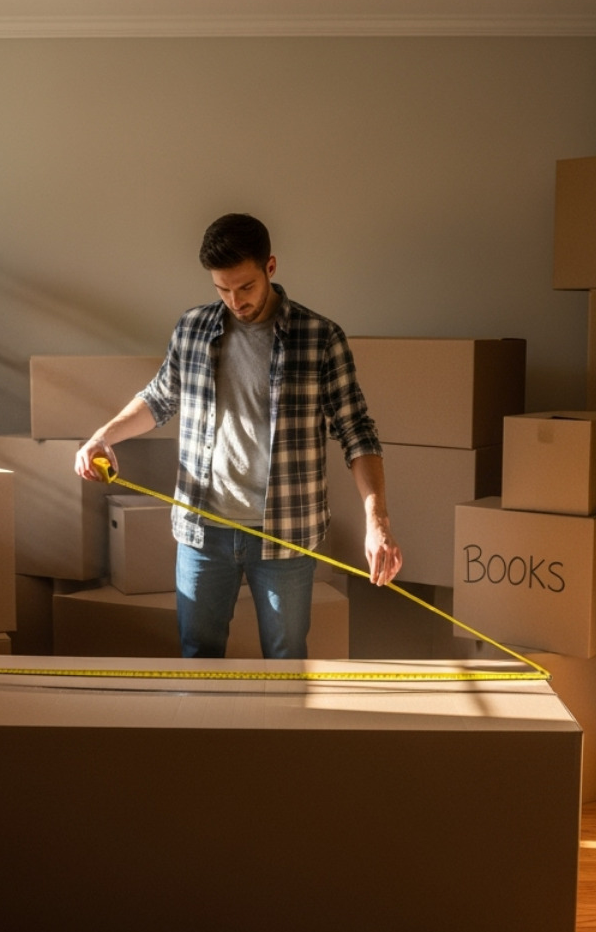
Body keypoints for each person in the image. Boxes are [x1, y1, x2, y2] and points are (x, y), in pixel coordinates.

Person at [74, 213, 402, 659]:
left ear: (270, 267)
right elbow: (159, 399)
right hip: (202, 531)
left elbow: (357, 432)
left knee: (287, 659)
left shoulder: (320, 337)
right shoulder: (191, 329)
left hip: (285, 531)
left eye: (245, 287)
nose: (235, 300)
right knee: (198, 653)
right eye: (222, 289)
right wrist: (103, 435)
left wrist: (377, 523)